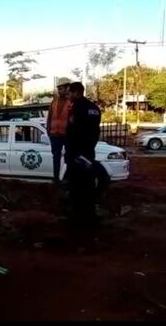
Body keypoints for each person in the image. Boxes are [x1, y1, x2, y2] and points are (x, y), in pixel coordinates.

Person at [65, 82, 102, 230]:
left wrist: (72, 153)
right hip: (88, 154)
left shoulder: (78, 108)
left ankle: (78, 221)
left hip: (77, 155)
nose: (68, 96)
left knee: (76, 188)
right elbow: (95, 132)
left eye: (70, 93)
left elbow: (74, 133)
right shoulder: (94, 108)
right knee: (88, 186)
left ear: (77, 93)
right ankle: (90, 217)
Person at [47, 82, 71, 183]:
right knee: (55, 156)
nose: (59, 91)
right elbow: (49, 116)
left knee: (69, 156)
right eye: (58, 89)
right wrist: (48, 130)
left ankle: (67, 177)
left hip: (66, 134)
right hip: (54, 134)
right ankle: (56, 178)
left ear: (66, 89)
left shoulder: (70, 102)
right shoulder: (54, 102)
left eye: (61, 89)